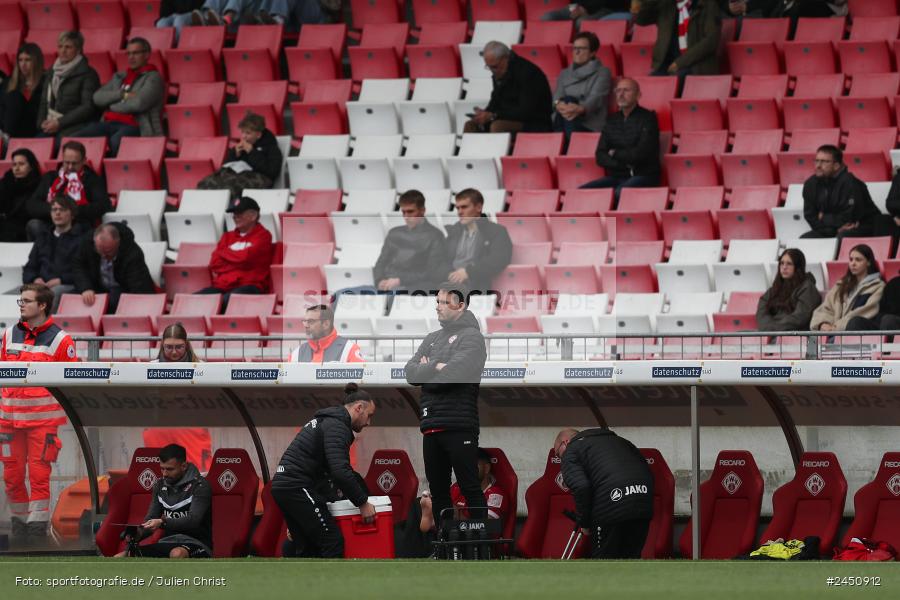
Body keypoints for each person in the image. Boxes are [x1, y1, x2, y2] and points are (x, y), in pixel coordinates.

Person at [405, 283, 488, 529]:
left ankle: (481, 546)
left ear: (461, 305)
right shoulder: (432, 338)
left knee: (469, 486)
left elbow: (453, 376)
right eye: (437, 303)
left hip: (459, 425)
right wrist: (436, 366)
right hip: (431, 427)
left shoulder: (473, 337)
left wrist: (429, 369)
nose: (438, 308)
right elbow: (410, 372)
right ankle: (443, 546)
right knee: (439, 491)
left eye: (444, 303)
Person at [0, 283, 77, 547]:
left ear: (42, 305)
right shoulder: (8, 335)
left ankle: (37, 526)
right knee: (11, 476)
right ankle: (19, 523)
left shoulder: (61, 340)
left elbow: (71, 382)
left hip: (42, 423)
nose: (21, 304)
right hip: (9, 421)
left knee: (39, 475)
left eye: (26, 301)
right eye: (20, 300)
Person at [271, 383, 377, 558]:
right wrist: (363, 503)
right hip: (296, 486)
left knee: (306, 546)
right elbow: (340, 471)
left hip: (285, 486)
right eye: (369, 415)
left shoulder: (327, 421)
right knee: (331, 540)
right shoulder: (337, 427)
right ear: (359, 408)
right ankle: (331, 585)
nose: (369, 422)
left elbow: (325, 474)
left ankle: (302, 585)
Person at [554, 427, 654, 559]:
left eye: (557, 453)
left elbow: (581, 486)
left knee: (604, 562)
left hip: (612, 504)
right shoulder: (622, 441)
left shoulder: (572, 450)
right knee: (631, 559)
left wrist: (584, 523)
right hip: (642, 501)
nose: (560, 458)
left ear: (565, 442)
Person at [115, 444, 213, 558]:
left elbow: (193, 521)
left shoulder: (200, 486)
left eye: (170, 469)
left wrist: (163, 522)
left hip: (196, 543)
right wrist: (138, 534)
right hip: (167, 542)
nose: (165, 473)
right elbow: (151, 519)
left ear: (184, 466)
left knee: (177, 554)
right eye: (162, 468)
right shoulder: (159, 485)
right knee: (120, 557)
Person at [77, 37, 164, 156]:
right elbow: (97, 97)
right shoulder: (119, 77)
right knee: (76, 140)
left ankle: (111, 172)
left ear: (147, 55)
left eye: (135, 53)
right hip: (109, 122)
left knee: (117, 141)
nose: (131, 57)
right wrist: (122, 94)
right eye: (128, 53)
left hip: (136, 125)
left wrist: (112, 106)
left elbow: (139, 103)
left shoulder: (153, 77)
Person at [581, 77, 661, 198]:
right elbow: (600, 155)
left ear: (638, 95)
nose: (621, 94)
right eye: (618, 91)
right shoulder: (611, 120)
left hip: (644, 175)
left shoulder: (648, 118)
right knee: (581, 192)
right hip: (617, 176)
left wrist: (615, 153)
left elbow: (642, 153)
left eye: (626, 90)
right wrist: (623, 166)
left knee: (620, 193)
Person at [194, 196, 274, 310]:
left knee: (227, 301)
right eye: (234, 213)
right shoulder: (227, 236)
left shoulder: (264, 236)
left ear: (253, 215)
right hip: (223, 285)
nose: (235, 216)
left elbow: (247, 258)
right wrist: (239, 260)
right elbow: (215, 263)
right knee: (196, 300)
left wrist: (224, 254)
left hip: (250, 285)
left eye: (240, 213)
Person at [26, 140, 110, 240]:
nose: (70, 167)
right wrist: (56, 210)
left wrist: (71, 211)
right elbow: (32, 204)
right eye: (66, 162)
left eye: (74, 163)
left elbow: (103, 205)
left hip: (78, 223)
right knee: (34, 225)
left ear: (84, 160)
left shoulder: (92, 179)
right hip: (51, 224)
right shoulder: (51, 177)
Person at [463, 42, 553, 134]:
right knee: (471, 125)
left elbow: (525, 112)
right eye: (488, 67)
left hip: (533, 123)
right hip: (505, 117)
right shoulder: (499, 72)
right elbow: (495, 101)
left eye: (494, 67)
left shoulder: (528, 73)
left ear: (506, 58)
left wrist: (493, 115)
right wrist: (485, 113)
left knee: (497, 126)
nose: (492, 71)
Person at [373, 190, 447, 296]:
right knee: (342, 294)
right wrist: (379, 280)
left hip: (411, 287)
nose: (406, 217)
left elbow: (432, 272)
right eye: (403, 212)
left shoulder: (435, 235)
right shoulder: (394, 233)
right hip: (386, 285)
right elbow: (381, 263)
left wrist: (400, 280)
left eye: (411, 212)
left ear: (422, 210)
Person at [801, 145, 883, 240]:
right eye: (816, 160)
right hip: (830, 230)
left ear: (836, 165)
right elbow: (810, 216)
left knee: (843, 236)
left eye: (824, 162)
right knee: (805, 239)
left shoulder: (850, 183)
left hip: (862, 226)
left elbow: (850, 216)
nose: (818, 165)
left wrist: (824, 218)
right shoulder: (810, 184)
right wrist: (833, 230)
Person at [71, 222, 156, 313]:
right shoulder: (87, 243)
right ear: (94, 242)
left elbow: (138, 287)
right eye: (100, 251)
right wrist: (85, 287)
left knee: (112, 300)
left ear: (118, 243)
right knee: (70, 298)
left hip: (122, 289)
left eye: (108, 252)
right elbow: (78, 265)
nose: (104, 256)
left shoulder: (132, 254)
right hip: (96, 287)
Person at [197, 111, 282, 200]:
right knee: (206, 183)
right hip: (239, 175)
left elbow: (271, 172)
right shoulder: (243, 145)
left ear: (258, 134)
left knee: (229, 187)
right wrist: (235, 154)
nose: (244, 136)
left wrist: (252, 152)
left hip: (260, 178)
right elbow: (226, 165)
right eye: (242, 132)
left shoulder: (271, 148)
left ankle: (226, 209)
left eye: (248, 133)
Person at [443, 189, 513, 295]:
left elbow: (499, 259)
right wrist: (448, 274)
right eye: (457, 208)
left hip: (476, 285)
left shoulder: (496, 231)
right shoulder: (454, 231)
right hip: (449, 285)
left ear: (478, 207)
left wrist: (468, 272)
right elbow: (441, 258)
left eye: (464, 207)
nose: (460, 212)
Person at [22, 196, 83, 310]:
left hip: (66, 285)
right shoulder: (43, 237)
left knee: (52, 294)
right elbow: (29, 267)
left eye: (62, 209)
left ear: (72, 214)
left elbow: (83, 271)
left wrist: (61, 280)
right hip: (41, 285)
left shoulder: (80, 240)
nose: (57, 213)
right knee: (15, 293)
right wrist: (35, 279)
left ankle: (44, 327)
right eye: (54, 209)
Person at [36, 31, 101, 138]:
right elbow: (44, 102)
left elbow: (87, 107)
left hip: (76, 127)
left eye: (68, 47)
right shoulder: (51, 72)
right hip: (52, 126)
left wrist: (60, 123)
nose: (63, 51)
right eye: (60, 47)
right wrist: (41, 123)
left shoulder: (88, 74)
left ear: (78, 50)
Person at [633, 0, 722, 77]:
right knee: (648, 87)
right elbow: (640, 20)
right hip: (665, 65)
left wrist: (680, 63)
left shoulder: (707, 4)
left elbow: (711, 41)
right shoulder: (666, 4)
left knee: (676, 79)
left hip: (695, 66)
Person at [552, 32, 612, 143]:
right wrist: (558, 104)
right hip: (564, 116)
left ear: (592, 52)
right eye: (574, 48)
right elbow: (556, 97)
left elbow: (597, 98)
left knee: (568, 100)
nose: (576, 52)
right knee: (566, 101)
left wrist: (580, 109)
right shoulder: (564, 73)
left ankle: (567, 146)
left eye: (582, 48)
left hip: (588, 121)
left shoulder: (602, 72)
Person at [810, 244, 885, 333]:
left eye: (858, 260)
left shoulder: (878, 286)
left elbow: (866, 312)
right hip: (833, 333)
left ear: (868, 262)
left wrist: (835, 327)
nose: (853, 263)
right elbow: (826, 308)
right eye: (851, 259)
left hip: (855, 335)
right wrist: (823, 323)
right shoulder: (840, 285)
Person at [755, 248, 821, 332]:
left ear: (798, 267)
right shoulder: (776, 288)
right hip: (771, 331)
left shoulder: (807, 288)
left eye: (789, 264)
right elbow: (762, 311)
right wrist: (768, 327)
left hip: (792, 335)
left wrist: (772, 329)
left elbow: (799, 318)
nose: (784, 267)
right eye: (782, 263)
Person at [287, 304, 365, 363]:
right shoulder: (296, 353)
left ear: (326, 324)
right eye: (305, 321)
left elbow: (361, 380)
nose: (306, 325)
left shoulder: (349, 349)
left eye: (311, 321)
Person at [0, 43, 46, 141]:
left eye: (27, 60)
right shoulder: (9, 81)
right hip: (7, 126)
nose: (23, 64)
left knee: (14, 96)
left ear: (36, 61)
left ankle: (5, 138)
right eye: (20, 60)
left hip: (31, 126)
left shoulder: (45, 81)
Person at [0, 149, 42, 242]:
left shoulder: (39, 184)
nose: (17, 168)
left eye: (21, 164)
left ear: (31, 166)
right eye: (14, 164)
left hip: (25, 225)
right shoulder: (6, 182)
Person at [542, 0, 633, 24]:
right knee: (548, 17)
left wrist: (586, 9)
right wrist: (578, 7)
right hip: (577, 5)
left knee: (581, 22)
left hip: (605, 9)